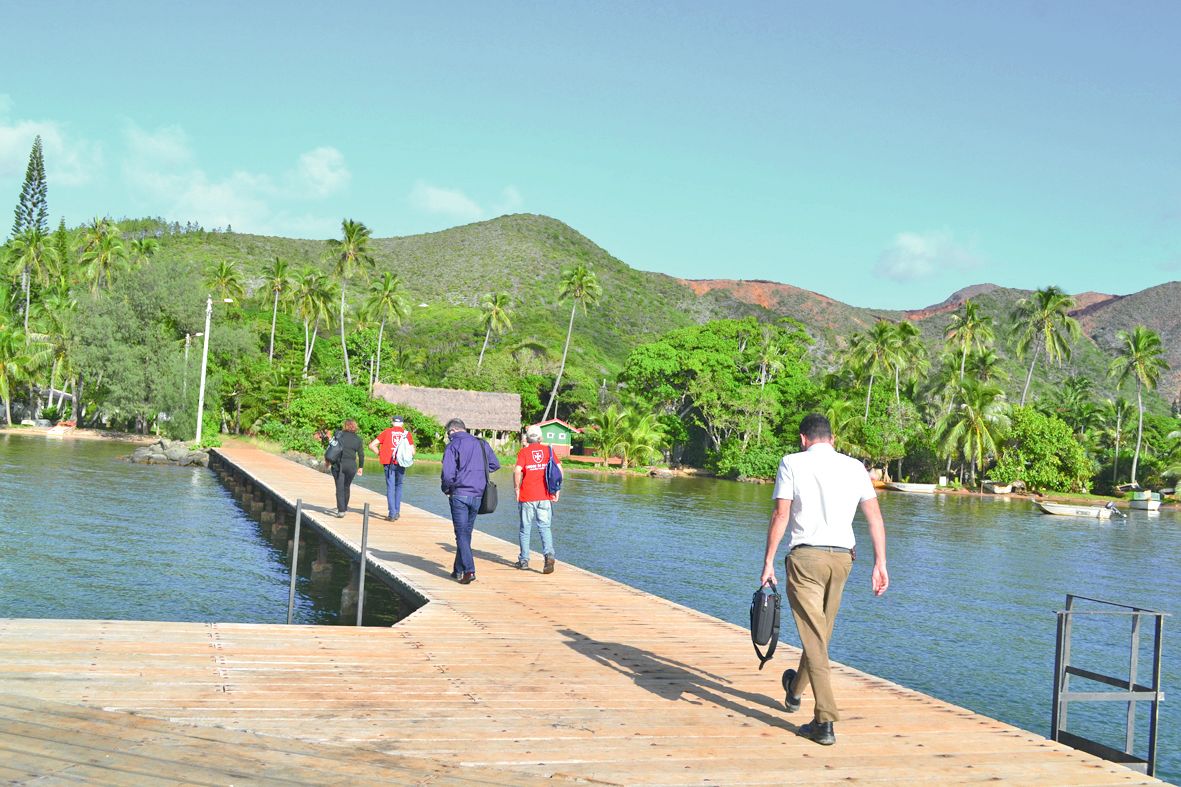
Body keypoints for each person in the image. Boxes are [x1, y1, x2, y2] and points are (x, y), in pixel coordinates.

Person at [759, 413, 888, 746]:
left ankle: (824, 721)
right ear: (832, 438)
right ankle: (794, 691)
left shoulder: (791, 462)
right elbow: (874, 516)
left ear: (804, 439)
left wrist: (768, 562)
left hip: (806, 559)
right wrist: (881, 563)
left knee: (815, 639)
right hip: (843, 560)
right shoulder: (855, 467)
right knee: (819, 634)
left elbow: (781, 514)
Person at [440, 418, 500, 584]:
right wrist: (477, 471)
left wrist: (446, 489)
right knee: (465, 534)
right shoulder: (482, 444)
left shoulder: (453, 445)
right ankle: (457, 569)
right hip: (478, 495)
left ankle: (469, 570)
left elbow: (447, 474)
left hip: (459, 494)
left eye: (448, 434)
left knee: (461, 534)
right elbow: (495, 464)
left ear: (452, 431)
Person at [513, 425, 559, 573]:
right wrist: (557, 490)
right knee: (544, 527)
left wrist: (517, 488)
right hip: (545, 496)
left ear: (527, 438)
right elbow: (559, 470)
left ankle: (524, 560)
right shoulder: (548, 451)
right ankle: (549, 556)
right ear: (541, 438)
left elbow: (517, 470)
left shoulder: (524, 452)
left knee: (525, 529)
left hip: (527, 496)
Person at [369, 415, 414, 521]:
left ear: (392, 423)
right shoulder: (406, 434)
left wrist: (380, 453)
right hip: (401, 463)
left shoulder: (387, 432)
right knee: (399, 486)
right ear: (402, 424)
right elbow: (412, 451)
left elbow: (371, 445)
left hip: (388, 463)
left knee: (390, 487)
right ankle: (397, 511)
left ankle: (392, 514)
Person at [324, 419, 364, 518]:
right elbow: (361, 455)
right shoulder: (358, 439)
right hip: (351, 466)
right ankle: (344, 507)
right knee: (346, 487)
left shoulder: (339, 436)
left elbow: (332, 449)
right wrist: (361, 467)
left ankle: (341, 510)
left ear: (345, 426)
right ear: (355, 427)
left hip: (339, 465)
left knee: (339, 488)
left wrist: (327, 462)